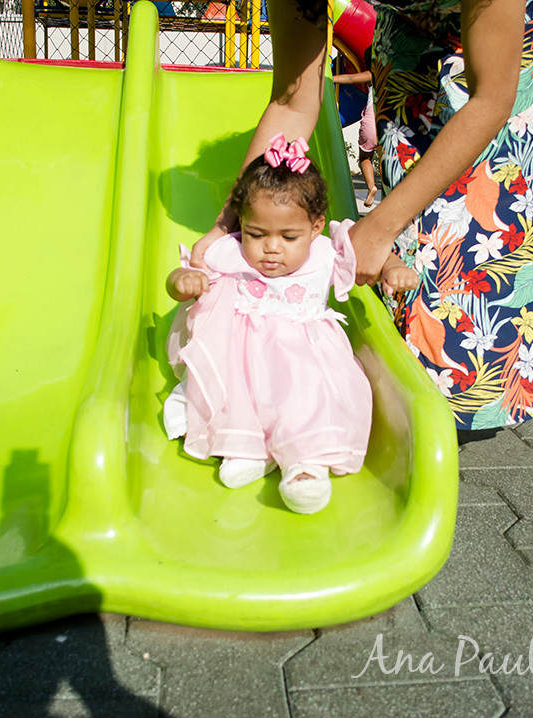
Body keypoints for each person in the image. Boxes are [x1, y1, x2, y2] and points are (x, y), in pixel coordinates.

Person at [191, 0, 533, 435]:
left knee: (477, 289)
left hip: (511, 81)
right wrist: (229, 222)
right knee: (420, 304)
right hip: (414, 73)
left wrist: (379, 226)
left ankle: (438, 440)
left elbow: (492, 98)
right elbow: (291, 103)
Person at [165, 135, 419, 514]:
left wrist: (394, 268)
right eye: (256, 234)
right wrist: (182, 283)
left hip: (306, 355)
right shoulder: (230, 252)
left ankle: (305, 467)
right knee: (238, 389)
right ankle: (247, 448)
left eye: (288, 236)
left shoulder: (325, 251)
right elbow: (183, 274)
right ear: (242, 224)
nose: (271, 247)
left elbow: (373, 255)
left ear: (315, 227)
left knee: (306, 394)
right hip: (244, 354)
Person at [333, 48, 379, 208]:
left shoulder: (373, 75)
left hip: (371, 122)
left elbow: (352, 78)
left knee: (365, 158)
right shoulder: (393, 75)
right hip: (391, 122)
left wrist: (330, 77)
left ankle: (371, 186)